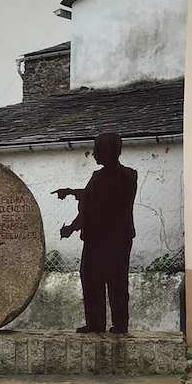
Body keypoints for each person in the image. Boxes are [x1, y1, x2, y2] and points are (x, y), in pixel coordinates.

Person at [53, 133, 137, 334]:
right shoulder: (130, 175)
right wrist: (73, 192)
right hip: (120, 238)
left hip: (98, 240)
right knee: (117, 281)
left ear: (105, 151)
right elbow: (99, 197)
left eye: (97, 149)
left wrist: (70, 228)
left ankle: (96, 323)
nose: (93, 154)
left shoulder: (99, 178)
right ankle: (120, 324)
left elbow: (93, 206)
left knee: (92, 281)